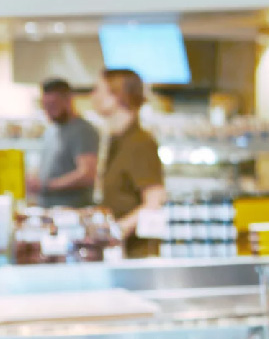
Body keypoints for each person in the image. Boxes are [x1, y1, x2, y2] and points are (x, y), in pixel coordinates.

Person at [92, 68, 165, 258]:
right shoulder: (116, 140)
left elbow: (155, 201)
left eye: (98, 90)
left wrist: (117, 230)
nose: (93, 96)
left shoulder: (140, 143)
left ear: (118, 96)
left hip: (136, 256)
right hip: (120, 253)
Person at [26, 78, 100, 208]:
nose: (48, 111)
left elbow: (87, 174)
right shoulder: (51, 130)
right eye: (45, 106)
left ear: (68, 100)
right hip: (47, 208)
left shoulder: (83, 130)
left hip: (71, 212)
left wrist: (46, 185)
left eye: (53, 105)